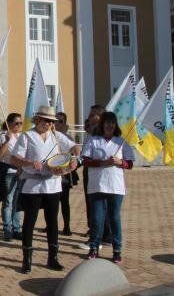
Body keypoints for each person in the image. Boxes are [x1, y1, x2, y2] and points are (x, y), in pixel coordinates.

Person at [11, 106, 80, 274]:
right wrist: (28, 163)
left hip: (53, 184)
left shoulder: (56, 135)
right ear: (38, 120)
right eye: (46, 120)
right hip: (32, 185)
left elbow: (75, 147)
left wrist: (74, 159)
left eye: (51, 121)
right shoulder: (27, 136)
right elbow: (14, 158)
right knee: (29, 222)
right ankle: (26, 259)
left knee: (52, 222)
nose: (49, 124)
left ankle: (53, 258)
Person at [82, 111, 134, 263]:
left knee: (114, 219)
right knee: (97, 219)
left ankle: (117, 250)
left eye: (112, 122)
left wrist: (120, 163)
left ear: (115, 124)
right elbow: (85, 160)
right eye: (107, 122)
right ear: (102, 124)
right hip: (97, 186)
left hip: (115, 187)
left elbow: (130, 163)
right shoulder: (93, 140)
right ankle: (94, 247)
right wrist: (102, 163)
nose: (109, 125)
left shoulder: (121, 142)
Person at [78, 104, 112, 250]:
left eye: (93, 115)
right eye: (90, 115)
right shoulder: (92, 130)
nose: (90, 117)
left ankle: (96, 237)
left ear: (100, 117)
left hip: (96, 171)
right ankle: (104, 235)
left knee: (95, 205)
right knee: (97, 205)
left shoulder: (99, 133)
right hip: (90, 169)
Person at [0, 113, 24, 241]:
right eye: (16, 123)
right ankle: (7, 229)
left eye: (20, 123)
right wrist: (7, 140)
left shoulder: (21, 136)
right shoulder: (3, 136)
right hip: (8, 172)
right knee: (8, 201)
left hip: (20, 172)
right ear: (9, 123)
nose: (19, 125)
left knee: (19, 202)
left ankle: (17, 228)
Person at [55, 112, 79, 236]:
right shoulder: (50, 136)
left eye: (60, 121)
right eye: (55, 120)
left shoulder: (68, 138)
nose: (57, 123)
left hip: (64, 173)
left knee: (64, 201)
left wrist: (74, 159)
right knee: (51, 201)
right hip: (52, 171)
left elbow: (74, 151)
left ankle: (67, 226)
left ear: (65, 124)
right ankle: (50, 225)